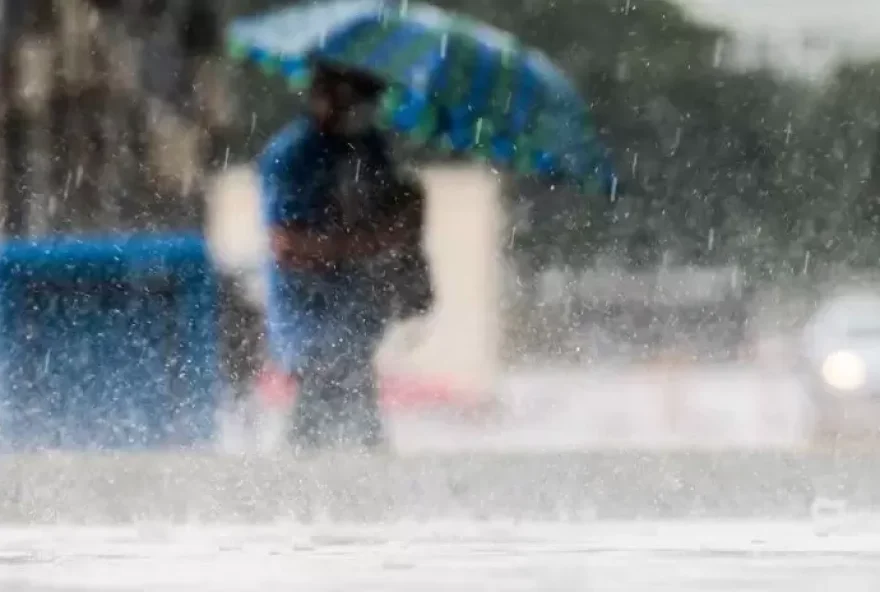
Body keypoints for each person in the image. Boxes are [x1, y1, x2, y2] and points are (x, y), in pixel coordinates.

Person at [257, 60, 433, 451]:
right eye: (355, 96)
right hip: (309, 320)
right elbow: (286, 245)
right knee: (327, 421)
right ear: (326, 93)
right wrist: (368, 242)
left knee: (354, 420)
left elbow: (389, 206)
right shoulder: (291, 155)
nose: (362, 110)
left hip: (356, 312)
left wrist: (409, 211)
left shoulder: (368, 144)